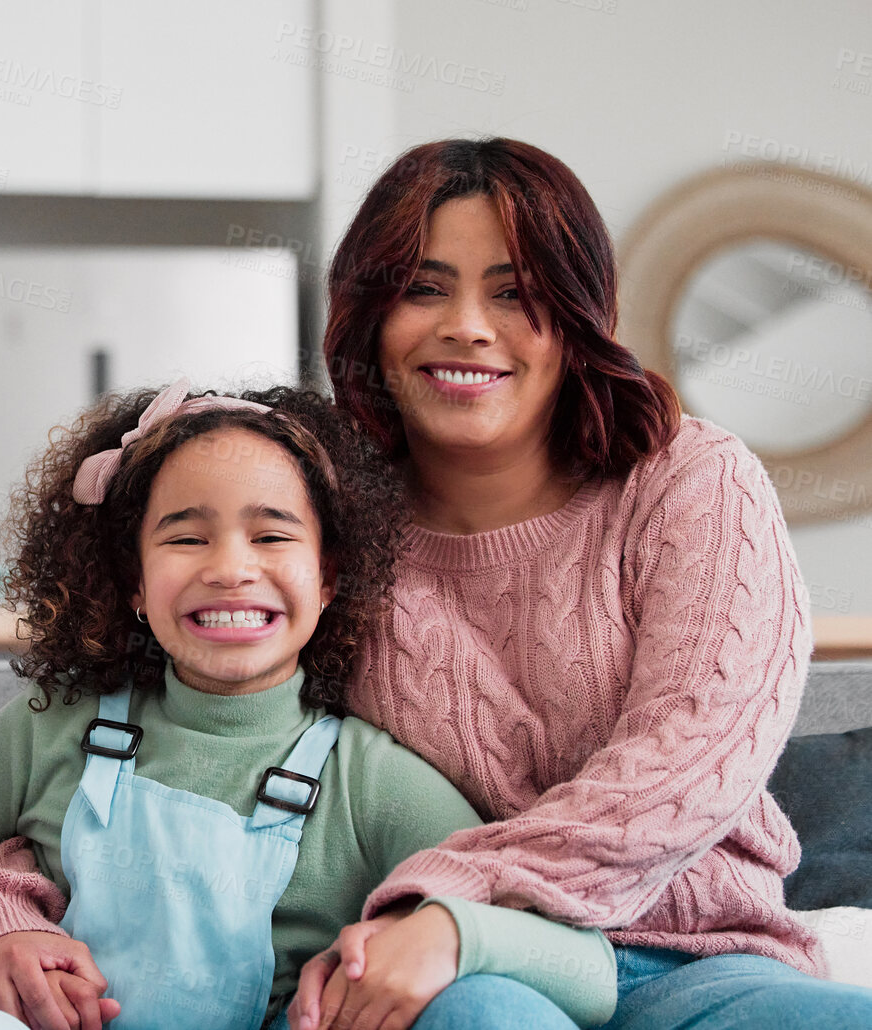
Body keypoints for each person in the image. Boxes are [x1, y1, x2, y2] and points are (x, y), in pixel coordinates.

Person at [284, 136, 872, 1029]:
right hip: (469, 980)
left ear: (577, 314)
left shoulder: (692, 481)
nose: (468, 326)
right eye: (423, 288)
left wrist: (456, 899)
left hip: (695, 958)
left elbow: (691, 760)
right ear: (369, 316)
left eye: (516, 292)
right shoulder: (313, 520)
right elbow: (160, 730)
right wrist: (5, 910)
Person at [0, 382, 619, 1030]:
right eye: (186, 538)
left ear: (329, 576)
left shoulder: (372, 784)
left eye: (271, 537)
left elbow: (590, 973)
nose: (231, 569)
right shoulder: (45, 731)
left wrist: (446, 935)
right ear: (134, 582)